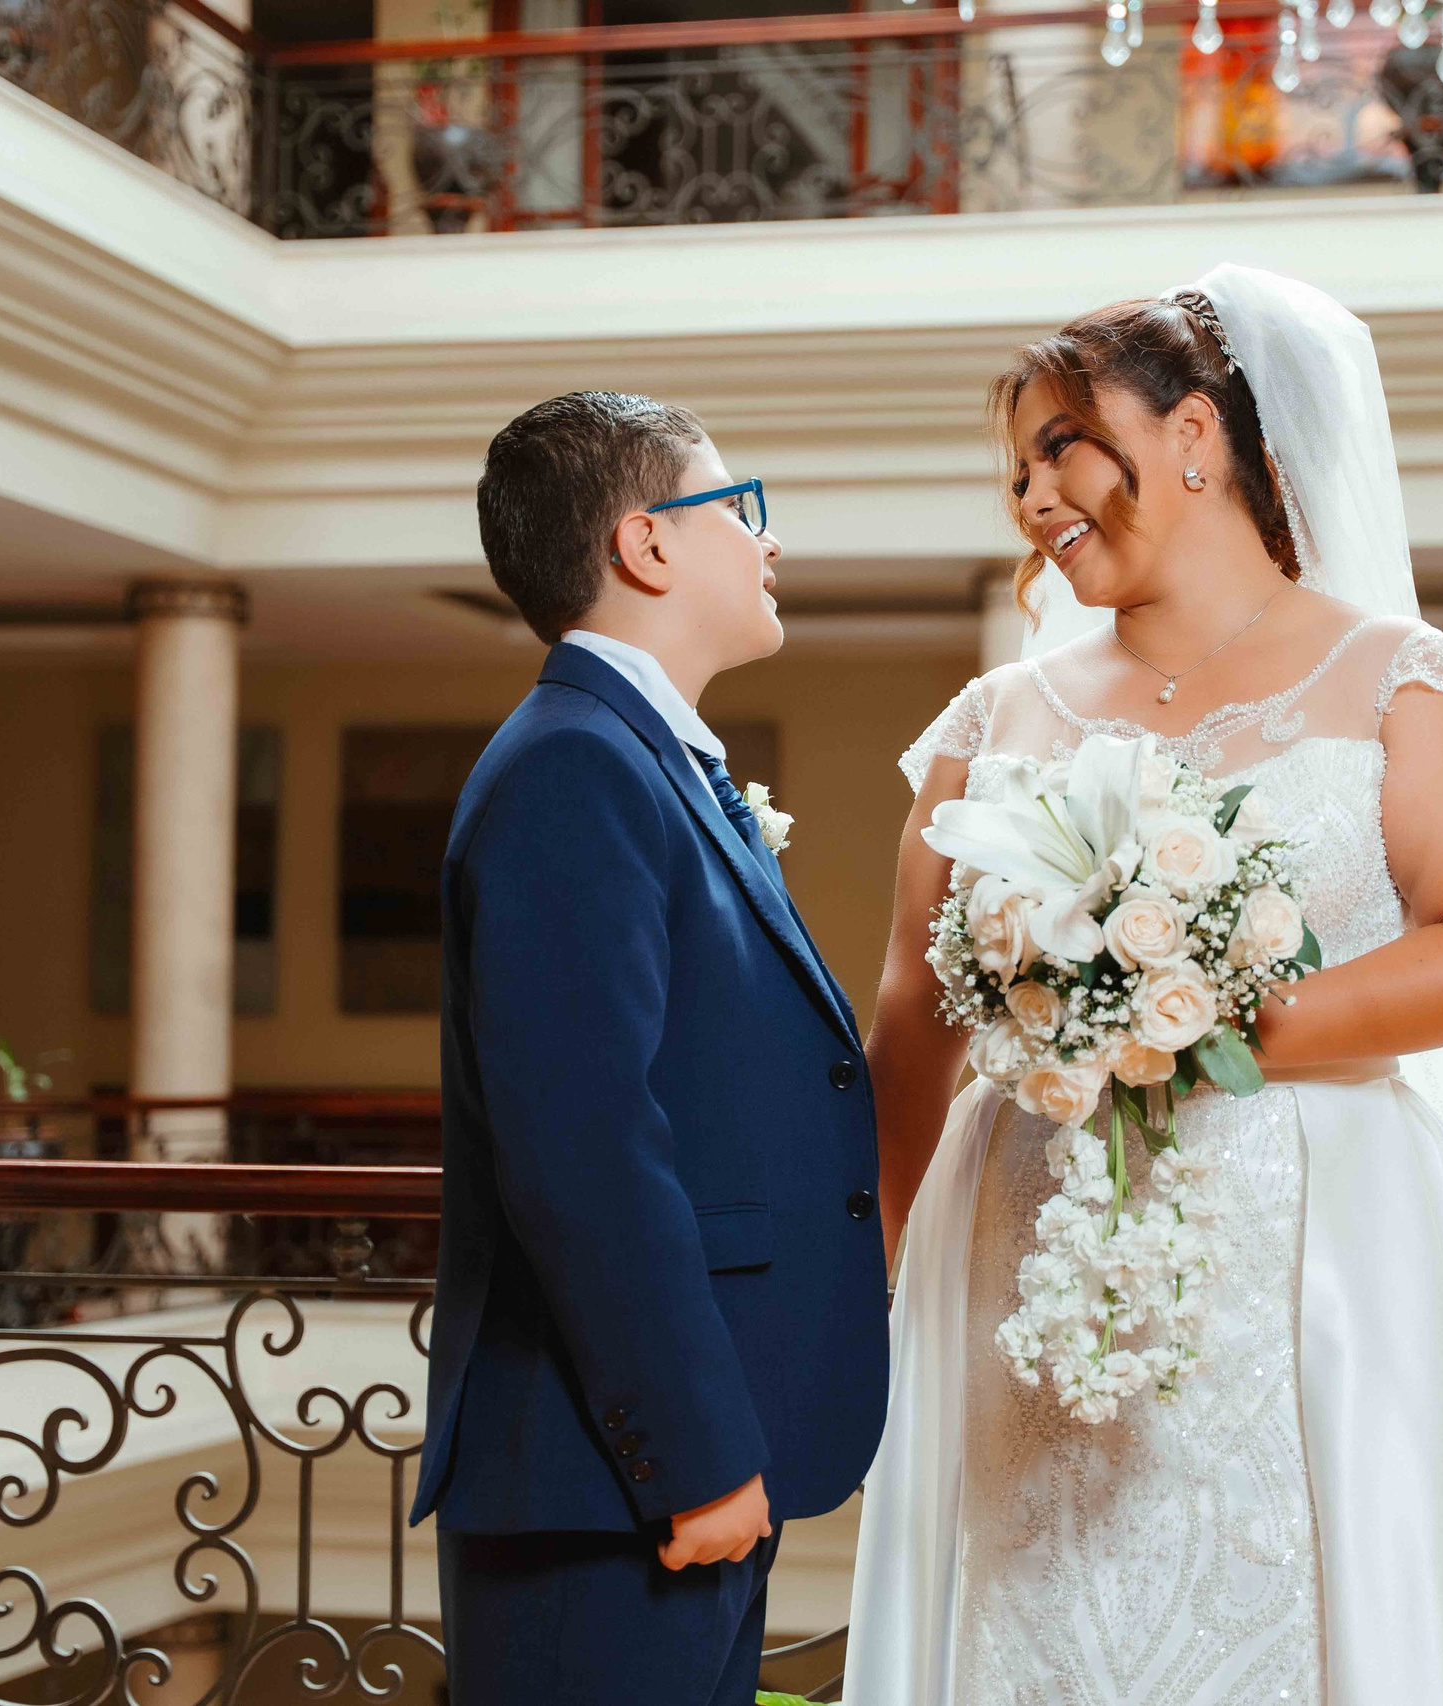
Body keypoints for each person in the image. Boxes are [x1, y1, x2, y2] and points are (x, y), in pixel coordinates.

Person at [844, 268, 1443, 1706]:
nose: (1031, 497)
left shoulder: (1404, 683)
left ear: (1194, 434)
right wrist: (860, 1289)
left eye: (1062, 447)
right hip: (1020, 1242)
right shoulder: (989, 721)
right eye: (1015, 470)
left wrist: (1211, 1014)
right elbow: (913, 1017)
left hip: (1317, 1245)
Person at [410, 391, 888, 1705]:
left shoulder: (642, 758)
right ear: (649, 546)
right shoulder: (576, 767)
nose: (767, 541)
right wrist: (695, 1455)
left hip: (664, 1474)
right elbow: (584, 1151)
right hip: (621, 1479)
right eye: (741, 508)